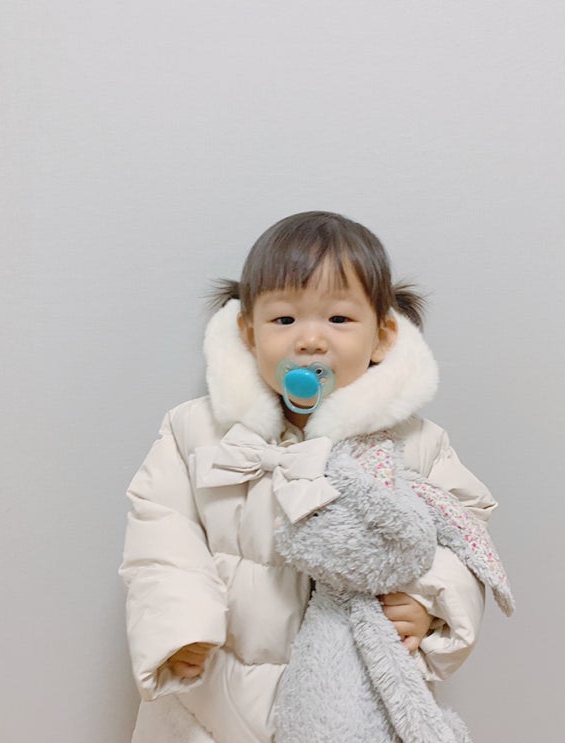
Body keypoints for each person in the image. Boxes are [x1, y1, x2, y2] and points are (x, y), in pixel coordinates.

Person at [120, 211, 502, 743]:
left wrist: (426, 600)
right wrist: (180, 628)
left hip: (349, 701)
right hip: (211, 698)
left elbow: (466, 534)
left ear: (382, 338)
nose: (310, 340)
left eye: (339, 319)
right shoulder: (196, 432)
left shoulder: (415, 443)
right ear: (248, 334)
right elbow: (161, 536)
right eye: (284, 320)